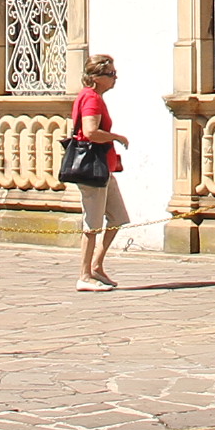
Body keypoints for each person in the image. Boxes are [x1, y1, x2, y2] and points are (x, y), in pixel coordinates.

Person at [68, 52, 129, 291]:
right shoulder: (91, 98)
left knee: (118, 217)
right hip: (92, 168)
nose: (115, 78)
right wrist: (116, 137)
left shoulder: (93, 97)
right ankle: (84, 275)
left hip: (103, 168)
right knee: (92, 223)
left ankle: (96, 266)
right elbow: (90, 131)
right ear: (96, 77)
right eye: (110, 74)